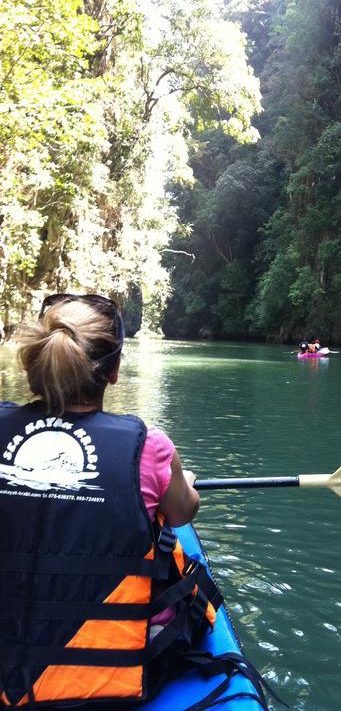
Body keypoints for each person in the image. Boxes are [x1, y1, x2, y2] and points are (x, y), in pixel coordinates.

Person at [0, 294, 227, 708]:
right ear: (114, 371)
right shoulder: (148, 447)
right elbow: (183, 512)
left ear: (31, 368)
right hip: (102, 679)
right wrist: (182, 479)